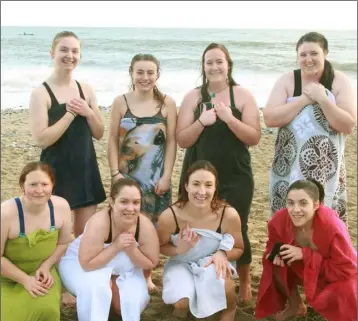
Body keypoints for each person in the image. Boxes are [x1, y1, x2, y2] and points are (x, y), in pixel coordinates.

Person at [176, 43, 261, 303]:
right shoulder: (193, 97)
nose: (214, 67)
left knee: (238, 228)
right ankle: (197, 276)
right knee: (197, 226)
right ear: (203, 67)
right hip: (198, 175)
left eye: (219, 62)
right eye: (209, 62)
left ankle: (244, 282)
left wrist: (228, 117)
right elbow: (182, 140)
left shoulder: (242, 96)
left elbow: (255, 136)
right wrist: (202, 121)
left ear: (228, 65)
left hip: (236, 174)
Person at [263, 32, 357, 223]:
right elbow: (270, 118)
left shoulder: (338, 80)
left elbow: (347, 125)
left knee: (323, 219)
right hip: (289, 164)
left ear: (325, 53)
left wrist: (322, 98)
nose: (308, 59)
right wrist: (304, 100)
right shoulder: (288, 80)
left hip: (325, 166)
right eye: (303, 55)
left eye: (314, 53)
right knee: (288, 217)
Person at [107, 53, 177, 291]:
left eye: (150, 72)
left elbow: (171, 143)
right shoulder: (120, 102)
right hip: (126, 178)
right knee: (124, 225)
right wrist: (115, 173)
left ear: (157, 74)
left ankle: (146, 275)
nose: (145, 77)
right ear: (131, 73)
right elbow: (112, 140)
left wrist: (167, 176)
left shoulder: (167, 103)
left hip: (156, 179)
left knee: (153, 228)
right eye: (140, 72)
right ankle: (122, 271)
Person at [29, 31, 106, 238]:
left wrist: (88, 112)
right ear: (52, 53)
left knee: (83, 236)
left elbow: (99, 133)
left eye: (75, 51)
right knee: (54, 236)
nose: (69, 55)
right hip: (55, 172)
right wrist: (70, 114)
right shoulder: (41, 93)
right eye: (63, 49)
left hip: (85, 169)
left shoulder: (86, 90)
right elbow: (42, 139)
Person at [58, 178, 160, 321]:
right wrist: (116, 246)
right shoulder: (99, 222)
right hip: (82, 266)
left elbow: (151, 263)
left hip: (123, 269)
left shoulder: (144, 225)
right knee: (96, 285)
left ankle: (112, 288)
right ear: (112, 202)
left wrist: (132, 249)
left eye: (136, 202)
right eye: (124, 202)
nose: (131, 208)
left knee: (127, 306)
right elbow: (86, 264)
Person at [255, 179, 357, 321]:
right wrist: (274, 253)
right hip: (309, 267)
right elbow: (273, 242)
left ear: (316, 205)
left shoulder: (332, 227)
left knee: (346, 288)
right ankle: (295, 305)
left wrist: (305, 254)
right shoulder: (280, 219)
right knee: (274, 261)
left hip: (338, 273)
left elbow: (347, 268)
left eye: (303, 203)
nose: (295, 210)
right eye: (291, 203)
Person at [157, 160, 244, 321]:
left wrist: (222, 254)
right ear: (186, 186)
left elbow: (239, 248)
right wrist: (179, 249)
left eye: (208, 185)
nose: (202, 191)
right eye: (196, 184)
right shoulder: (170, 216)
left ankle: (230, 310)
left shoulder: (228, 214)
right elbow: (160, 246)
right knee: (181, 304)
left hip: (211, 262)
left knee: (223, 281)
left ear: (215, 188)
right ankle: (188, 302)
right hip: (181, 262)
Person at [1, 161, 72, 321]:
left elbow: (64, 242)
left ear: (52, 186)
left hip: (42, 273)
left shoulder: (61, 206)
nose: (39, 190)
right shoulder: (6, 213)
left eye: (44, 184)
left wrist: (47, 266)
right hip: (7, 277)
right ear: (22, 186)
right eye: (33, 184)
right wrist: (25, 280)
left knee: (45, 311)